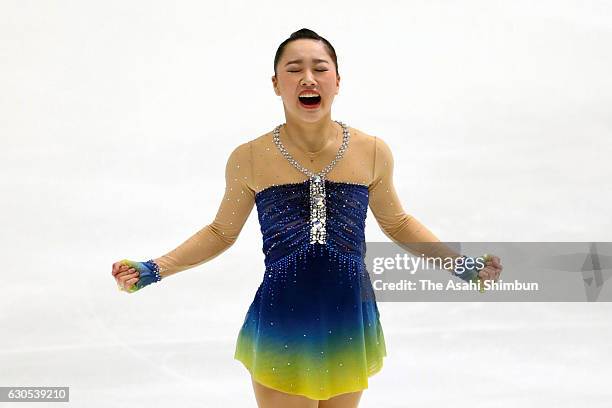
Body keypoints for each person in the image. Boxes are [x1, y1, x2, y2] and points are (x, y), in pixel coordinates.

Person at [111, 28, 503, 408]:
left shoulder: (371, 152)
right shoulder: (249, 158)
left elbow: (398, 223)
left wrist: (462, 265)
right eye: (294, 70)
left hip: (348, 317)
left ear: (337, 80)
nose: (308, 79)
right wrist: (155, 268)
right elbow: (220, 231)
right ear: (276, 83)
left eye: (320, 68)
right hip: (284, 320)